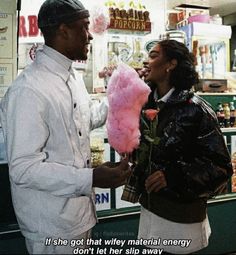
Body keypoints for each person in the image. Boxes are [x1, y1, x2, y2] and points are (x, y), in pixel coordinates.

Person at [0, 0, 131, 254]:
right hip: (51, 225)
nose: (90, 36)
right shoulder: (28, 90)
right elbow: (24, 169)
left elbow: (85, 119)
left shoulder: (72, 77)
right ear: (63, 30)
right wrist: (91, 177)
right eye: (84, 27)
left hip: (80, 216)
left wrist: (120, 94)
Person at [123, 39, 233, 254]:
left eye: (154, 55)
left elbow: (221, 168)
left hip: (181, 218)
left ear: (170, 64)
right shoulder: (146, 103)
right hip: (150, 210)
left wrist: (174, 175)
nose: (146, 61)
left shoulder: (196, 110)